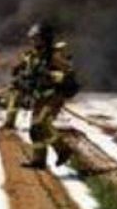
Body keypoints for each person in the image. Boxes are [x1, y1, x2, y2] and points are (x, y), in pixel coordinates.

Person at [18, 20, 78, 169]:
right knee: (34, 130)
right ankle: (39, 160)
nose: (33, 41)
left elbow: (69, 74)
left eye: (36, 38)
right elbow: (27, 74)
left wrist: (51, 75)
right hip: (39, 97)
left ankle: (63, 150)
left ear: (45, 38)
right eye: (32, 38)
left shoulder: (54, 56)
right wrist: (21, 82)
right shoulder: (34, 56)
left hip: (53, 96)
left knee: (41, 123)